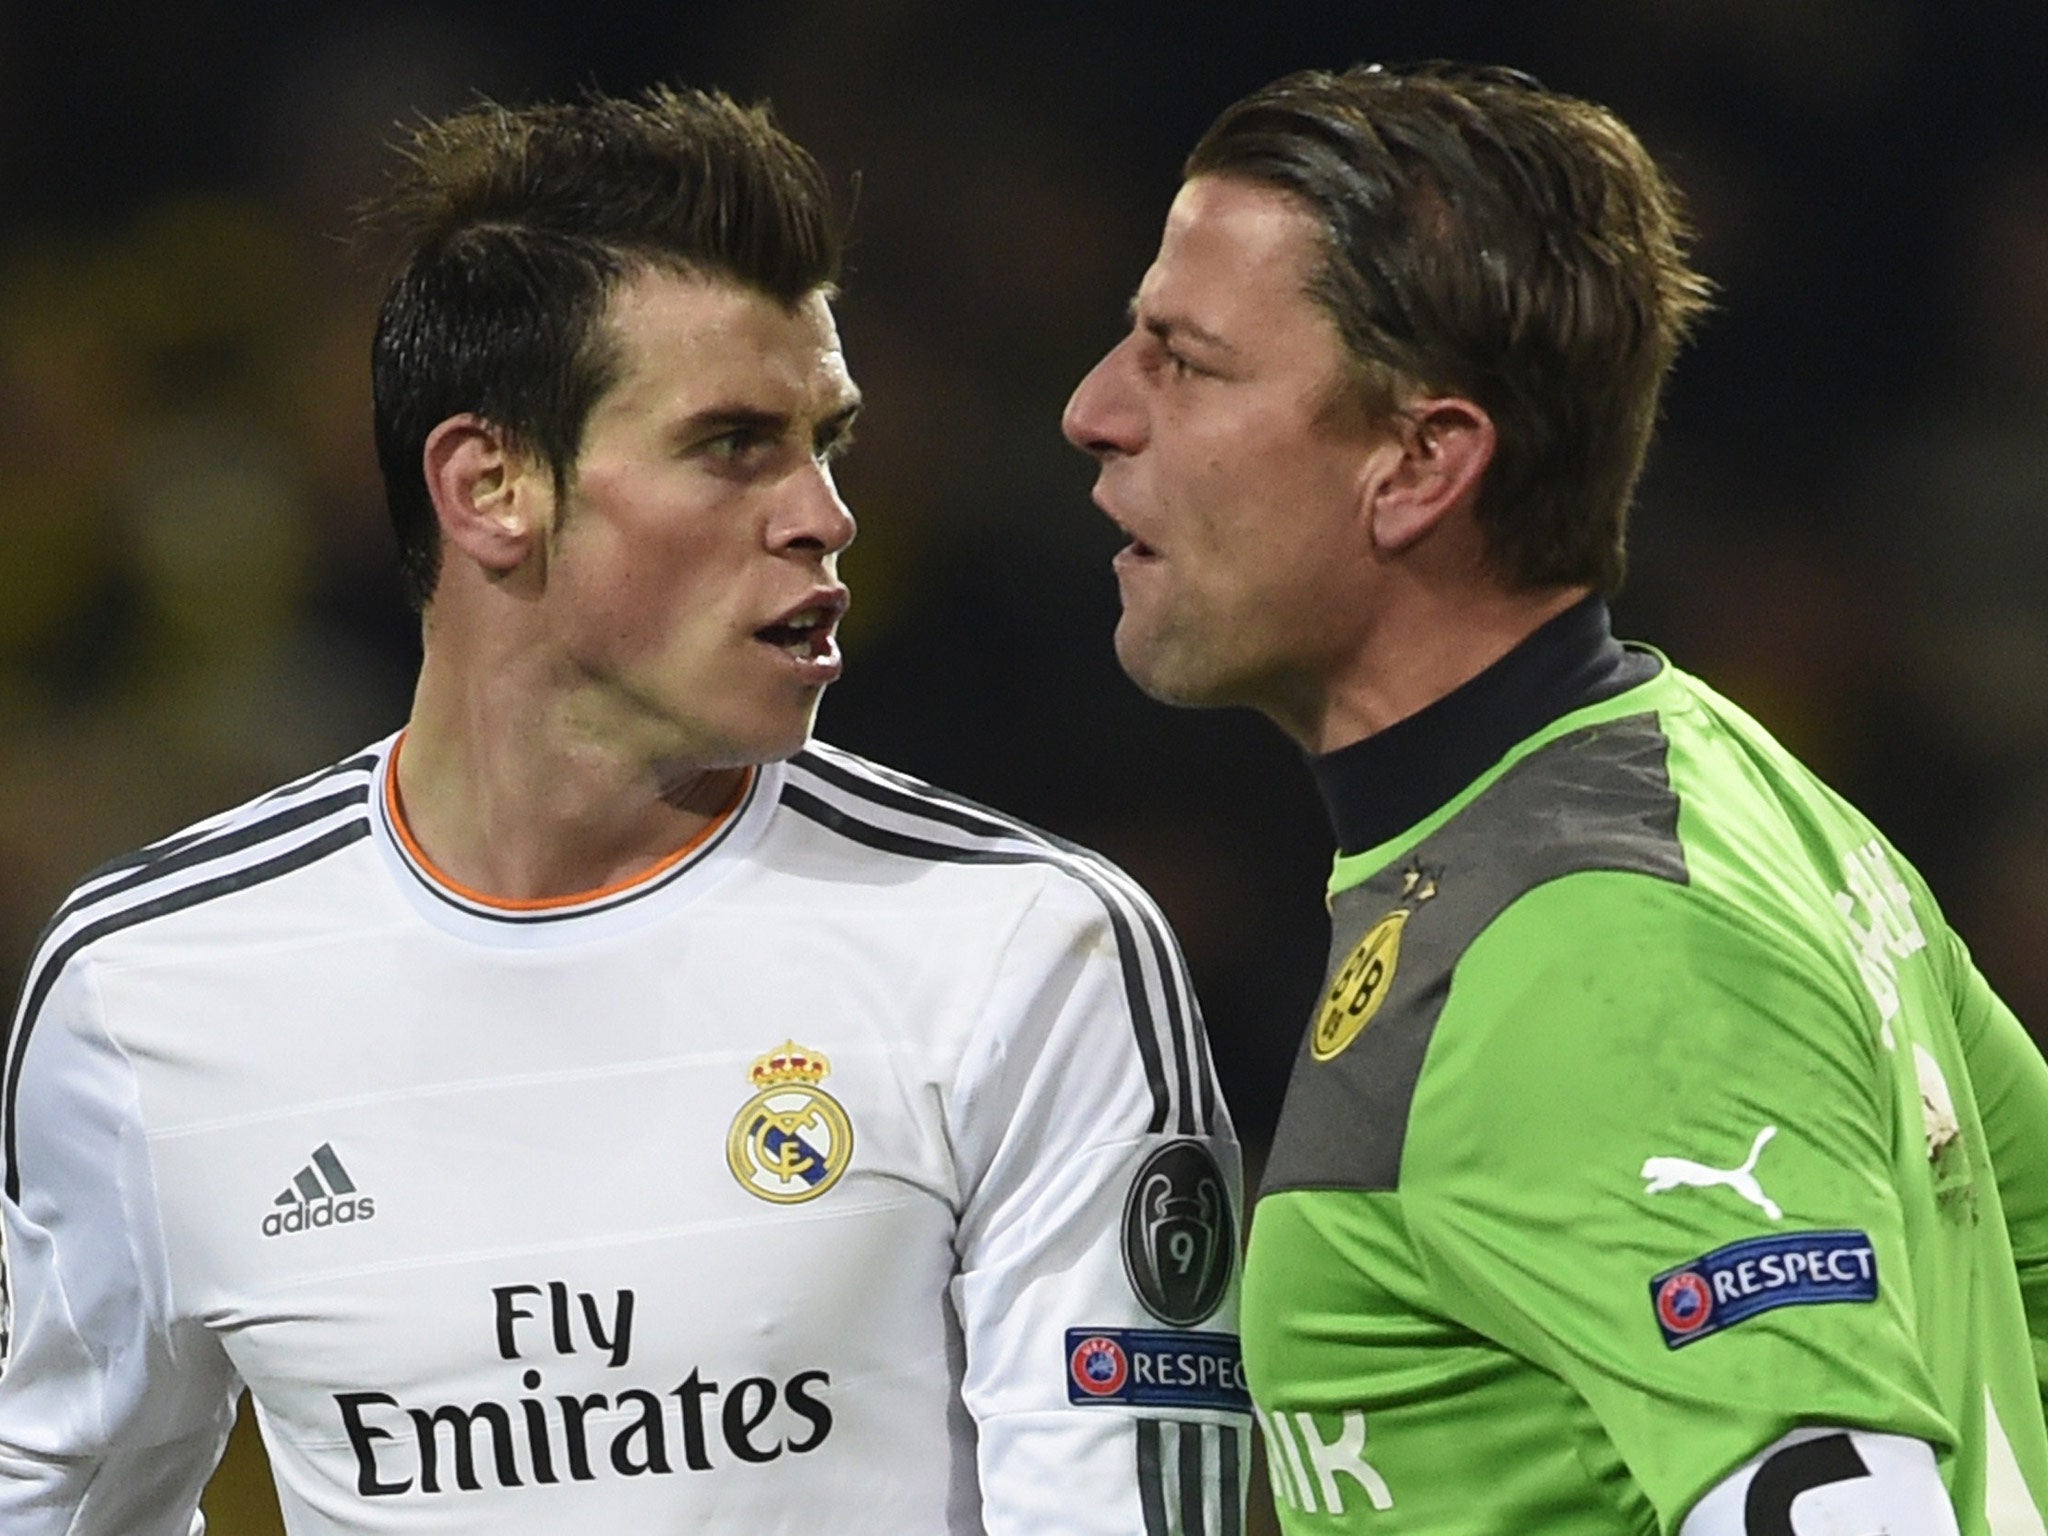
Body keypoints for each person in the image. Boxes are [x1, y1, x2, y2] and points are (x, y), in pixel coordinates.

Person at [0, 86, 1248, 1534]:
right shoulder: (148, 990)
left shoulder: (1023, 951)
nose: (824, 512)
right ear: (492, 487)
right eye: (733, 444)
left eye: (826, 440)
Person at [1061, 60, 2048, 1535]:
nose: (1094, 409)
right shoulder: (1711, 777)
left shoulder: (1596, 948)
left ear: (1418, 463)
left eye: (1185, 361)